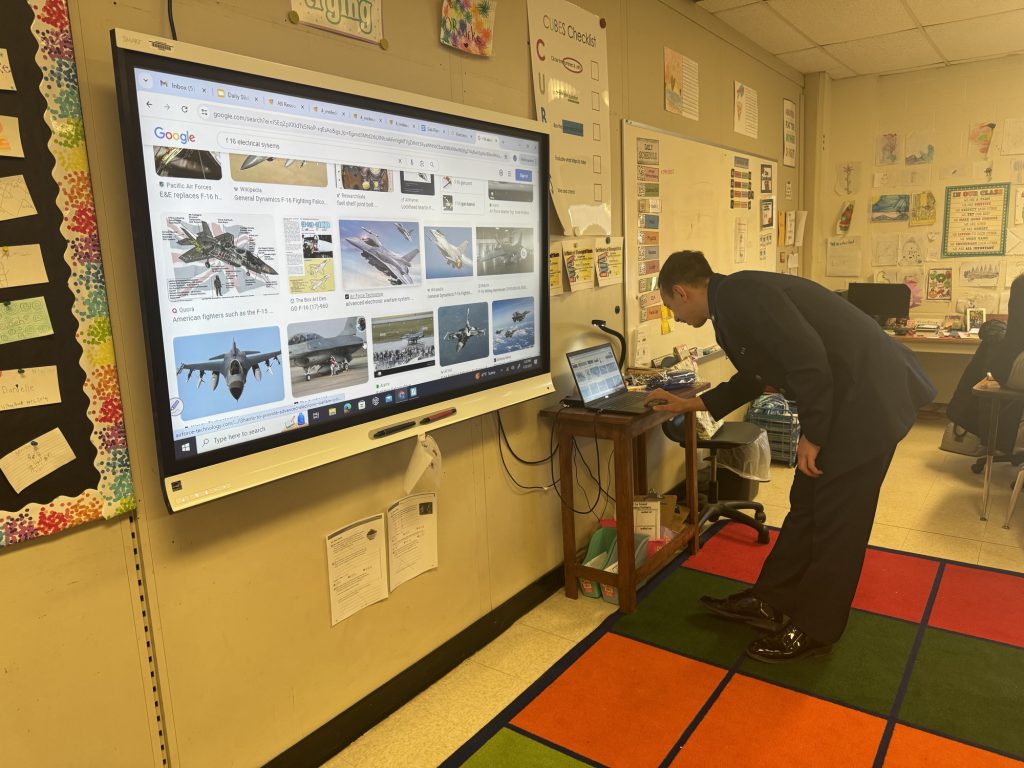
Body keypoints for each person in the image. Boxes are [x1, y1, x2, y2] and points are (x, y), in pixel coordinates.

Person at [645, 251, 936, 663]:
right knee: (807, 506)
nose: (674, 317)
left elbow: (808, 361)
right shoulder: (730, 303)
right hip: (846, 397)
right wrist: (685, 405)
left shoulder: (742, 295)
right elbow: (755, 376)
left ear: (681, 291)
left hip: (869, 400)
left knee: (838, 519)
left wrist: (813, 435)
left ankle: (817, 627)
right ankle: (771, 600)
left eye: (672, 307)